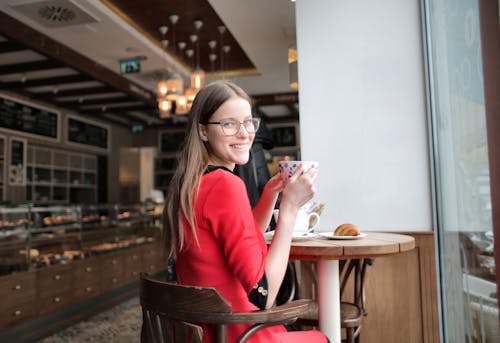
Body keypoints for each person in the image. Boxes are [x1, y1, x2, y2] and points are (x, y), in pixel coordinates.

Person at [163, 80, 327, 343]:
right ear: (203, 132)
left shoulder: (192, 184)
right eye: (229, 124)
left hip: (206, 333)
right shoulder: (226, 185)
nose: (245, 133)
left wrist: (270, 195)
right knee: (323, 337)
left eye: (249, 122)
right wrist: (289, 210)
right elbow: (264, 295)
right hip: (240, 333)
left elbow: (242, 240)